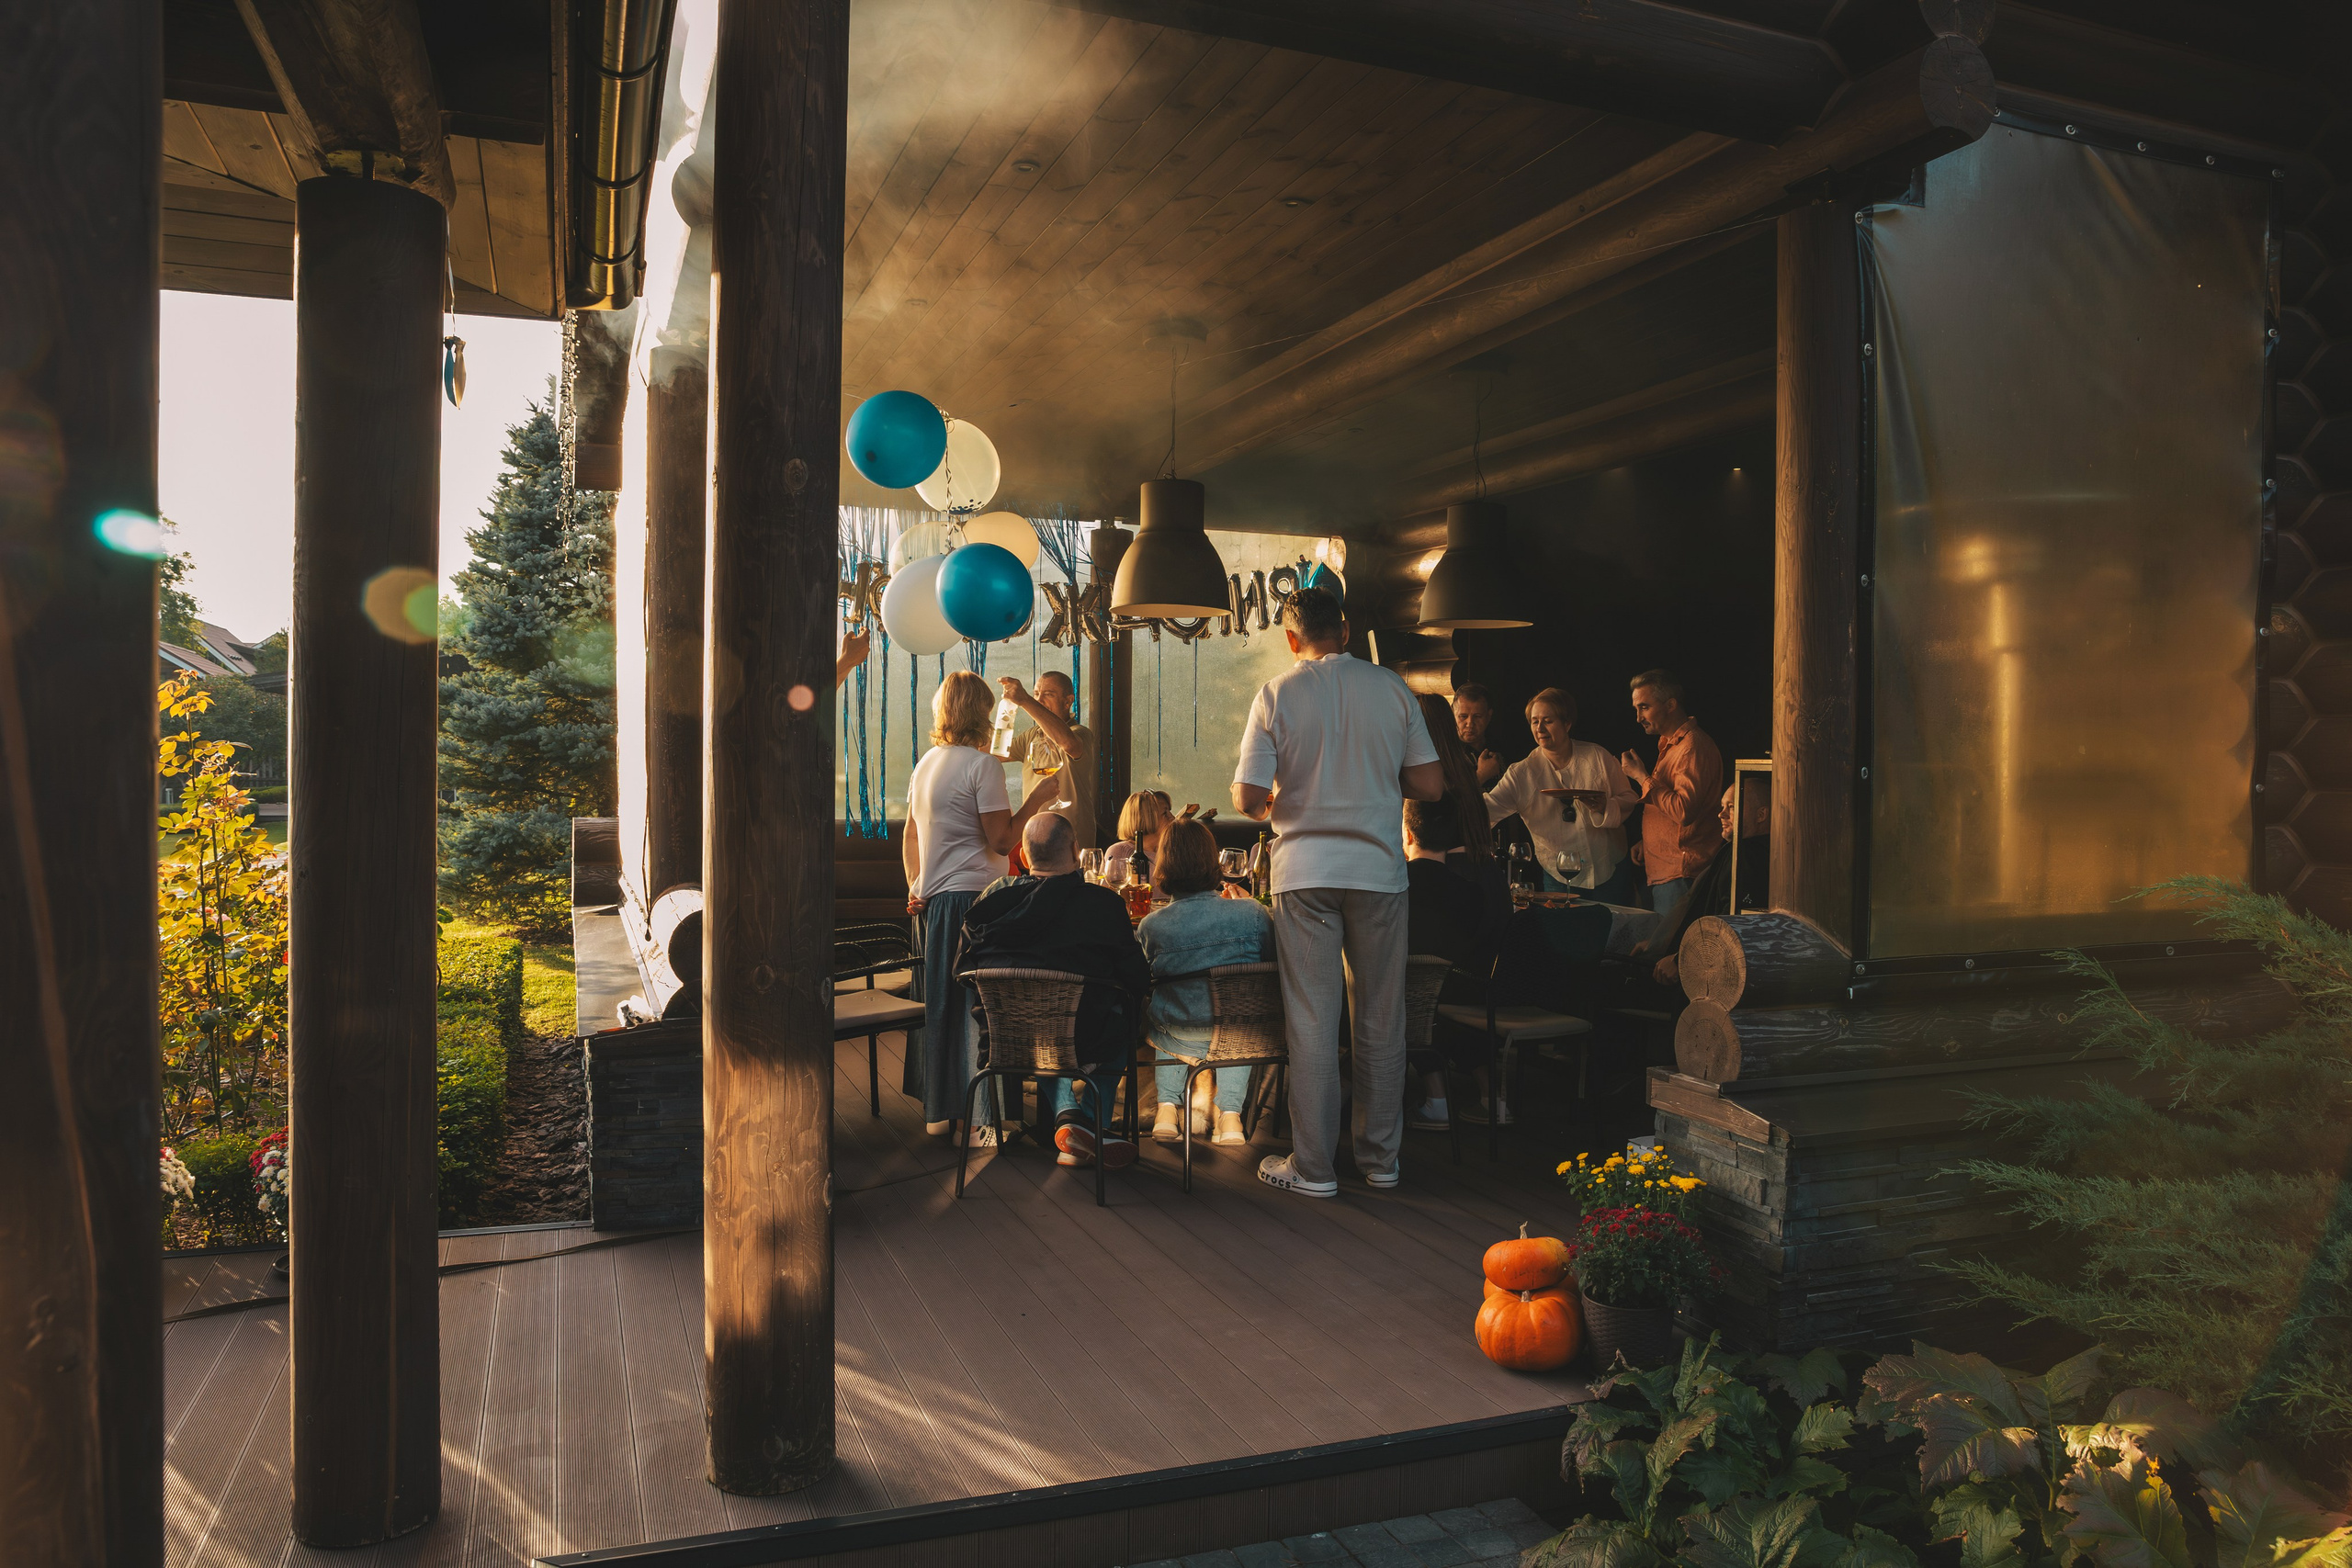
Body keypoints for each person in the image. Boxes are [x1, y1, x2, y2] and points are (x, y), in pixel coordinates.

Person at [1232, 585, 1443, 1198]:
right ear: (1345, 631)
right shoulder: (1393, 688)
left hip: (1305, 874)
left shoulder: (1276, 693)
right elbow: (1430, 784)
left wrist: (1281, 798)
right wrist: (1378, 777)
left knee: (1312, 1020)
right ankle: (1381, 1161)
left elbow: (1248, 798)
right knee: (1381, 1016)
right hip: (1379, 872)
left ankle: (1315, 1168)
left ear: (1291, 638)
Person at [904, 670, 1056, 1142]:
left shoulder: (926, 762)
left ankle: (938, 1114)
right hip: (974, 902)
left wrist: (914, 884)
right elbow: (1002, 840)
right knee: (979, 1010)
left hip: (932, 904)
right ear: (981, 713)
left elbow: (911, 835)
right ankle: (977, 1123)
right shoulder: (983, 766)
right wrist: (1036, 801)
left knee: (941, 1008)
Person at [956, 813, 1148, 1168]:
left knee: (1041, 1029)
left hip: (1007, 1037)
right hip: (1087, 1037)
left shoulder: (991, 907)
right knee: (1124, 1015)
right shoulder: (1104, 905)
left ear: (1024, 856)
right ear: (1075, 851)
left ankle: (1071, 1122)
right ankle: (1089, 1124)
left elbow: (962, 973)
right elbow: (1137, 978)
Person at [1136, 819, 1273, 1147]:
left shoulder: (1151, 926)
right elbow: (1271, 967)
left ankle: (1166, 1110)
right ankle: (1231, 1116)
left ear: (1164, 865)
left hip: (1179, 1033)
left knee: (1164, 1013)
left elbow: (1141, 979)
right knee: (1238, 1021)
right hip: (1239, 1035)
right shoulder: (1253, 914)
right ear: (1213, 860)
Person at [1400, 797, 1510, 1130]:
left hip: (1417, 1000)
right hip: (1471, 992)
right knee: (1442, 993)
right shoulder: (1473, 891)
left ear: (1407, 835)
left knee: (1405, 994)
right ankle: (1492, 1098)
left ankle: (1436, 1099)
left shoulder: (1397, 884)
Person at [1482, 687, 1641, 904]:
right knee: (1564, 925)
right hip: (1558, 875)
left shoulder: (1597, 756)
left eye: (1548, 721)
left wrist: (1605, 806)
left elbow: (1629, 797)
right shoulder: (1521, 774)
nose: (1540, 728)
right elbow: (1487, 809)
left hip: (1609, 869)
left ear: (1567, 723)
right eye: (1534, 721)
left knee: (1615, 925)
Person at [1640, 775, 1771, 987]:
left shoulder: (1746, 854)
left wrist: (1680, 959)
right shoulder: (1741, 851)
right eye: (1722, 806)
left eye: (1732, 807)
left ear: (1761, 815)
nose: (1721, 814)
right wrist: (1660, 943)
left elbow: (1730, 921)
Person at [1621, 669, 1724, 928]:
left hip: (1681, 876)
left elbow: (1683, 811)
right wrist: (1649, 840)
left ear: (1670, 705)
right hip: (1666, 873)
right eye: (1636, 709)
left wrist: (1641, 777)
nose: (1638, 718)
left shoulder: (1692, 746)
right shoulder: (1672, 745)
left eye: (1644, 707)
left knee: (1671, 951)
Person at [997, 670, 1095, 846]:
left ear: (1068, 701)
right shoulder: (1032, 735)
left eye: (1048, 694)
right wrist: (1005, 712)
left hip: (1071, 841)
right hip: (1035, 840)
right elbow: (997, 753)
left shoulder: (1080, 733)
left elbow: (1068, 744)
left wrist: (1025, 700)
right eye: (1036, 694)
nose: (1039, 700)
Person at [1416, 692, 1494, 865]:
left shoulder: (1431, 772)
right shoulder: (1460, 765)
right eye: (1463, 716)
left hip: (1447, 869)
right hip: (1476, 867)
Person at [1103, 789, 1174, 882]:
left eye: (1169, 811)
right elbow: (1109, 889)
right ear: (1145, 818)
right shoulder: (1121, 852)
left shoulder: (1173, 851)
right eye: (1165, 813)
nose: (1173, 817)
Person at [1453, 682, 1499, 785]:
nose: (1470, 723)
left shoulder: (1502, 747)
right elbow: (1443, 795)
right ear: (1453, 713)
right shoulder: (1444, 753)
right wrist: (1481, 776)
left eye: (1478, 716)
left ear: (1489, 715)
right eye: (1463, 716)